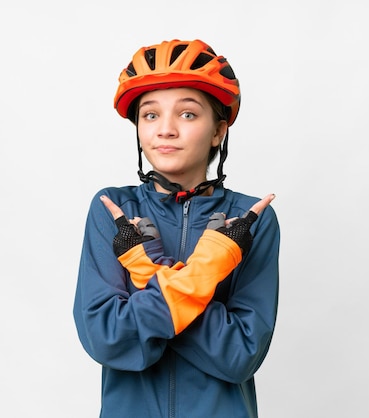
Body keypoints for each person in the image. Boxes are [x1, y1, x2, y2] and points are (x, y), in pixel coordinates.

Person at [73, 39, 280, 418]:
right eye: (150, 115)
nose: (165, 130)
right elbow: (108, 340)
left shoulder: (250, 219)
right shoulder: (115, 211)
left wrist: (147, 270)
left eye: (187, 114)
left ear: (218, 131)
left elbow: (240, 355)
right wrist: (205, 273)